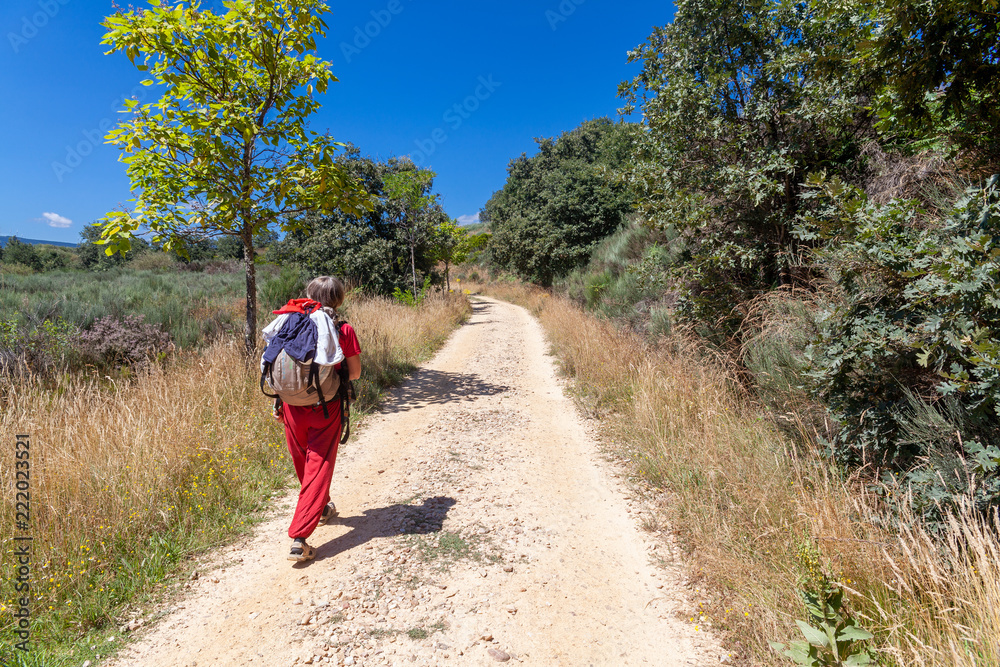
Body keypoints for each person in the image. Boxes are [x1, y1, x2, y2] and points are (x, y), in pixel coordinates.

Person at [269, 276, 361, 562]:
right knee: (318, 464)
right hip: (326, 407)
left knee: (303, 461)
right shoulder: (342, 329)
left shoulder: (289, 323)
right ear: (339, 298)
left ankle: (320, 508)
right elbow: (355, 374)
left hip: (290, 405)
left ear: (308, 295)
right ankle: (299, 537)